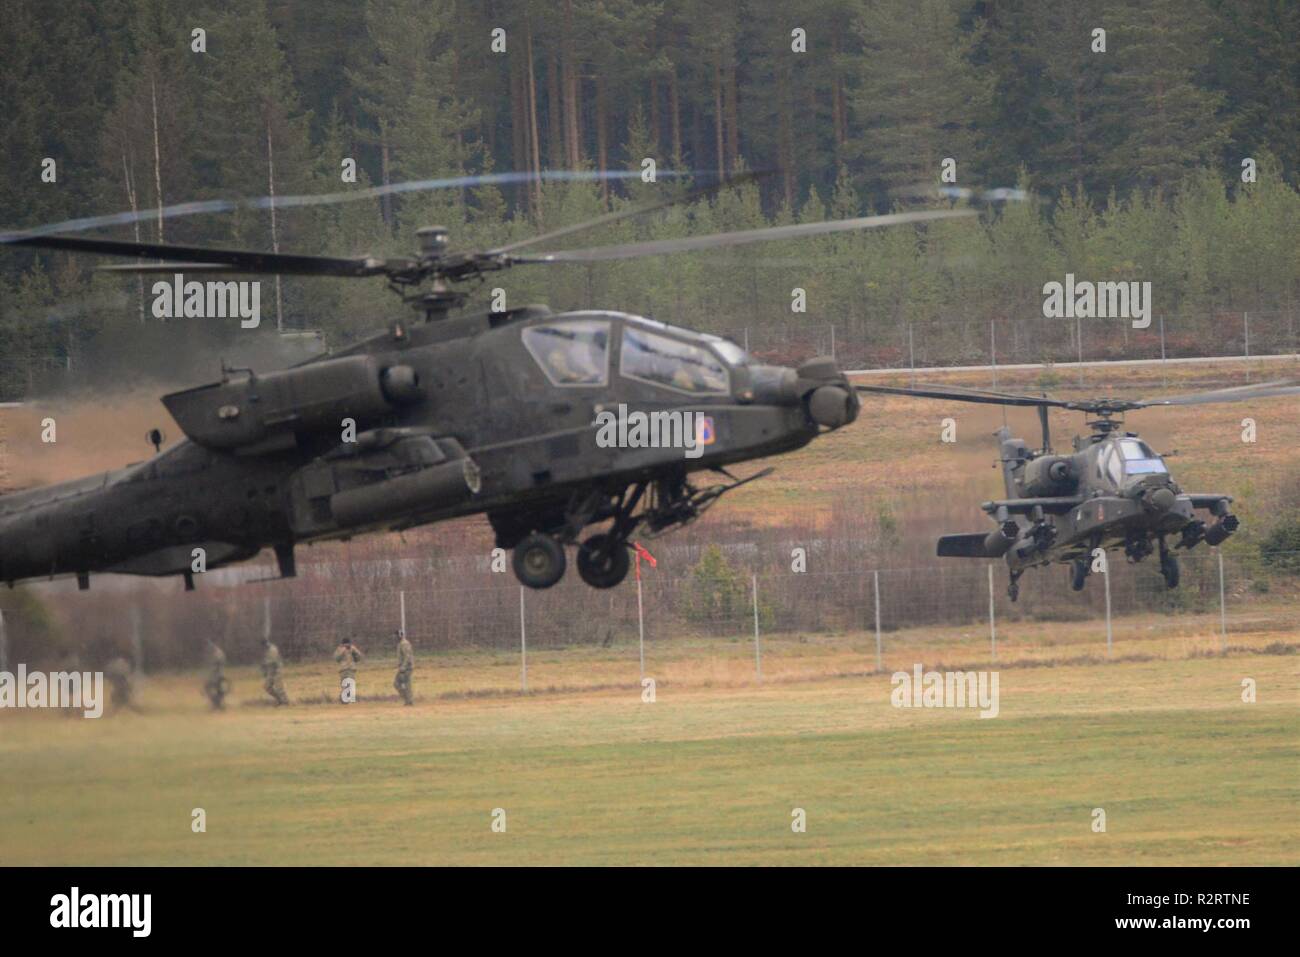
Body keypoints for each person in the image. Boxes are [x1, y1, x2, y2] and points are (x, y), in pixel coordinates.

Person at [333, 637, 363, 703]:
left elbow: (359, 657)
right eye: (346, 644)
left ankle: (348, 699)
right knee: (345, 684)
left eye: (348, 644)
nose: (347, 645)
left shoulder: (352, 649)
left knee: (351, 684)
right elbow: (336, 658)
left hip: (351, 669)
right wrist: (343, 650)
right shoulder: (339, 649)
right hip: (343, 669)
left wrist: (354, 650)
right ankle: (344, 700)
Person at [261, 638, 288, 706]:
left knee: (279, 687)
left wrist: (266, 668)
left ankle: (285, 702)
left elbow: (273, 663)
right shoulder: (266, 650)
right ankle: (279, 700)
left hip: (277, 670)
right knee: (267, 687)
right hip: (271, 670)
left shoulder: (273, 649)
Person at [203, 640, 229, 710]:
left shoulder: (218, 653)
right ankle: (217, 704)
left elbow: (218, 664)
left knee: (216, 690)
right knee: (213, 690)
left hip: (218, 675)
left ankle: (217, 704)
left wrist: (213, 673)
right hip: (216, 675)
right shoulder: (215, 653)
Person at [393, 630, 414, 706]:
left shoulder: (404, 644)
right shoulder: (400, 644)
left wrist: (403, 667)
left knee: (398, 683)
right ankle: (408, 700)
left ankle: (408, 699)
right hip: (404, 667)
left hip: (406, 668)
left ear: (399, 636)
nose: (394, 638)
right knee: (405, 684)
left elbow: (407, 656)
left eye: (395, 636)